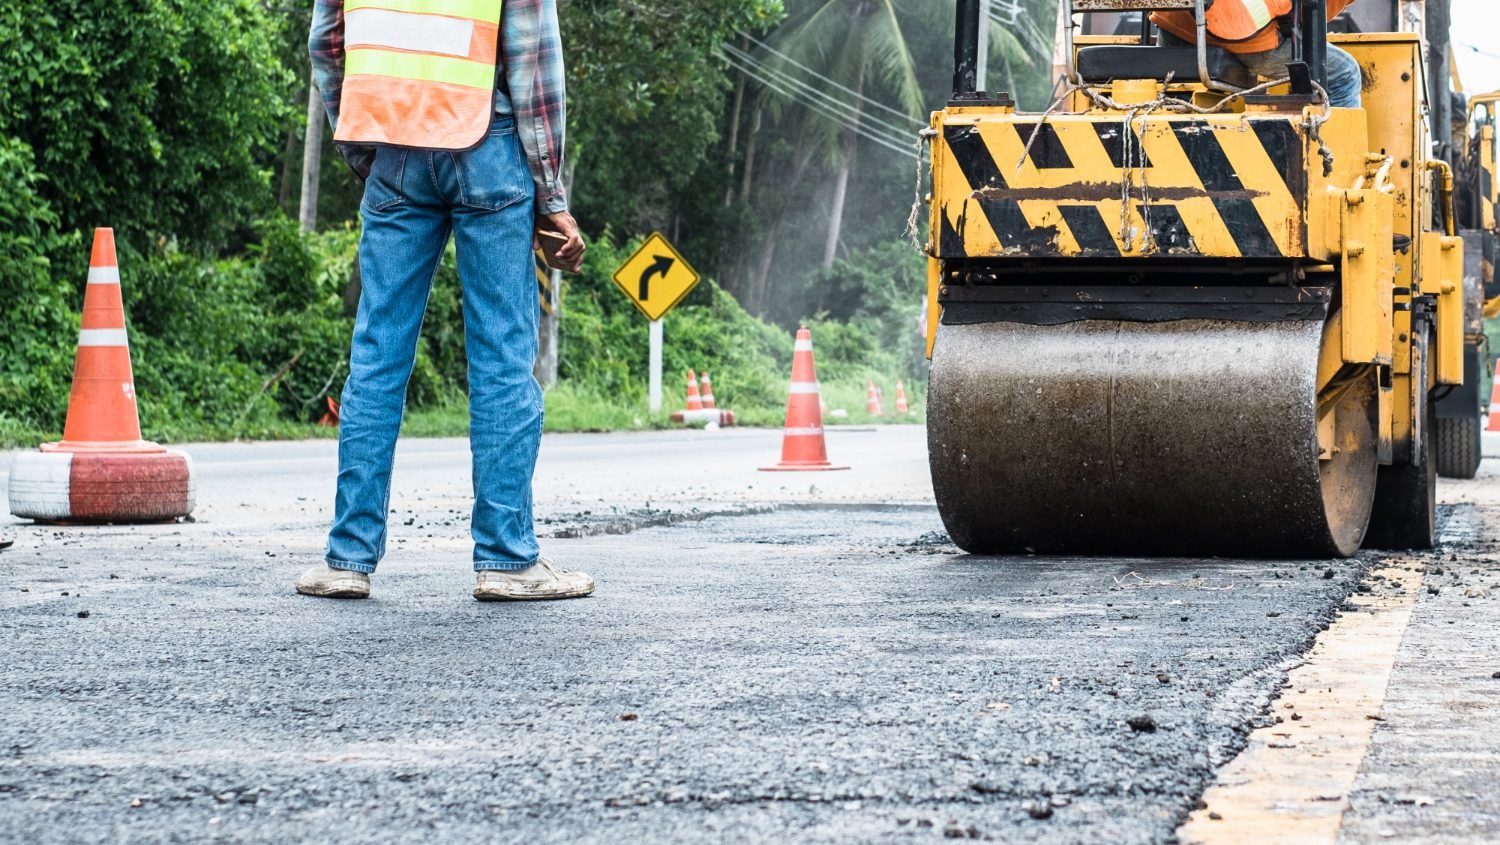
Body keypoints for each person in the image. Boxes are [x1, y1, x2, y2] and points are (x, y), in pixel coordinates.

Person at [297, 0, 594, 602]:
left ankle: (348, 559)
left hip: (393, 145)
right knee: (502, 356)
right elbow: (535, 68)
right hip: (489, 142)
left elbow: (327, 45)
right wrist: (553, 196)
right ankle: (507, 560)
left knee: (377, 354)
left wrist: (363, 147)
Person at [1152, 0, 1363, 109]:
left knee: (1178, 89)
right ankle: (1328, 163)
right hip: (1237, 33)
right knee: (1344, 73)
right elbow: (1311, 13)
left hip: (1173, 23)